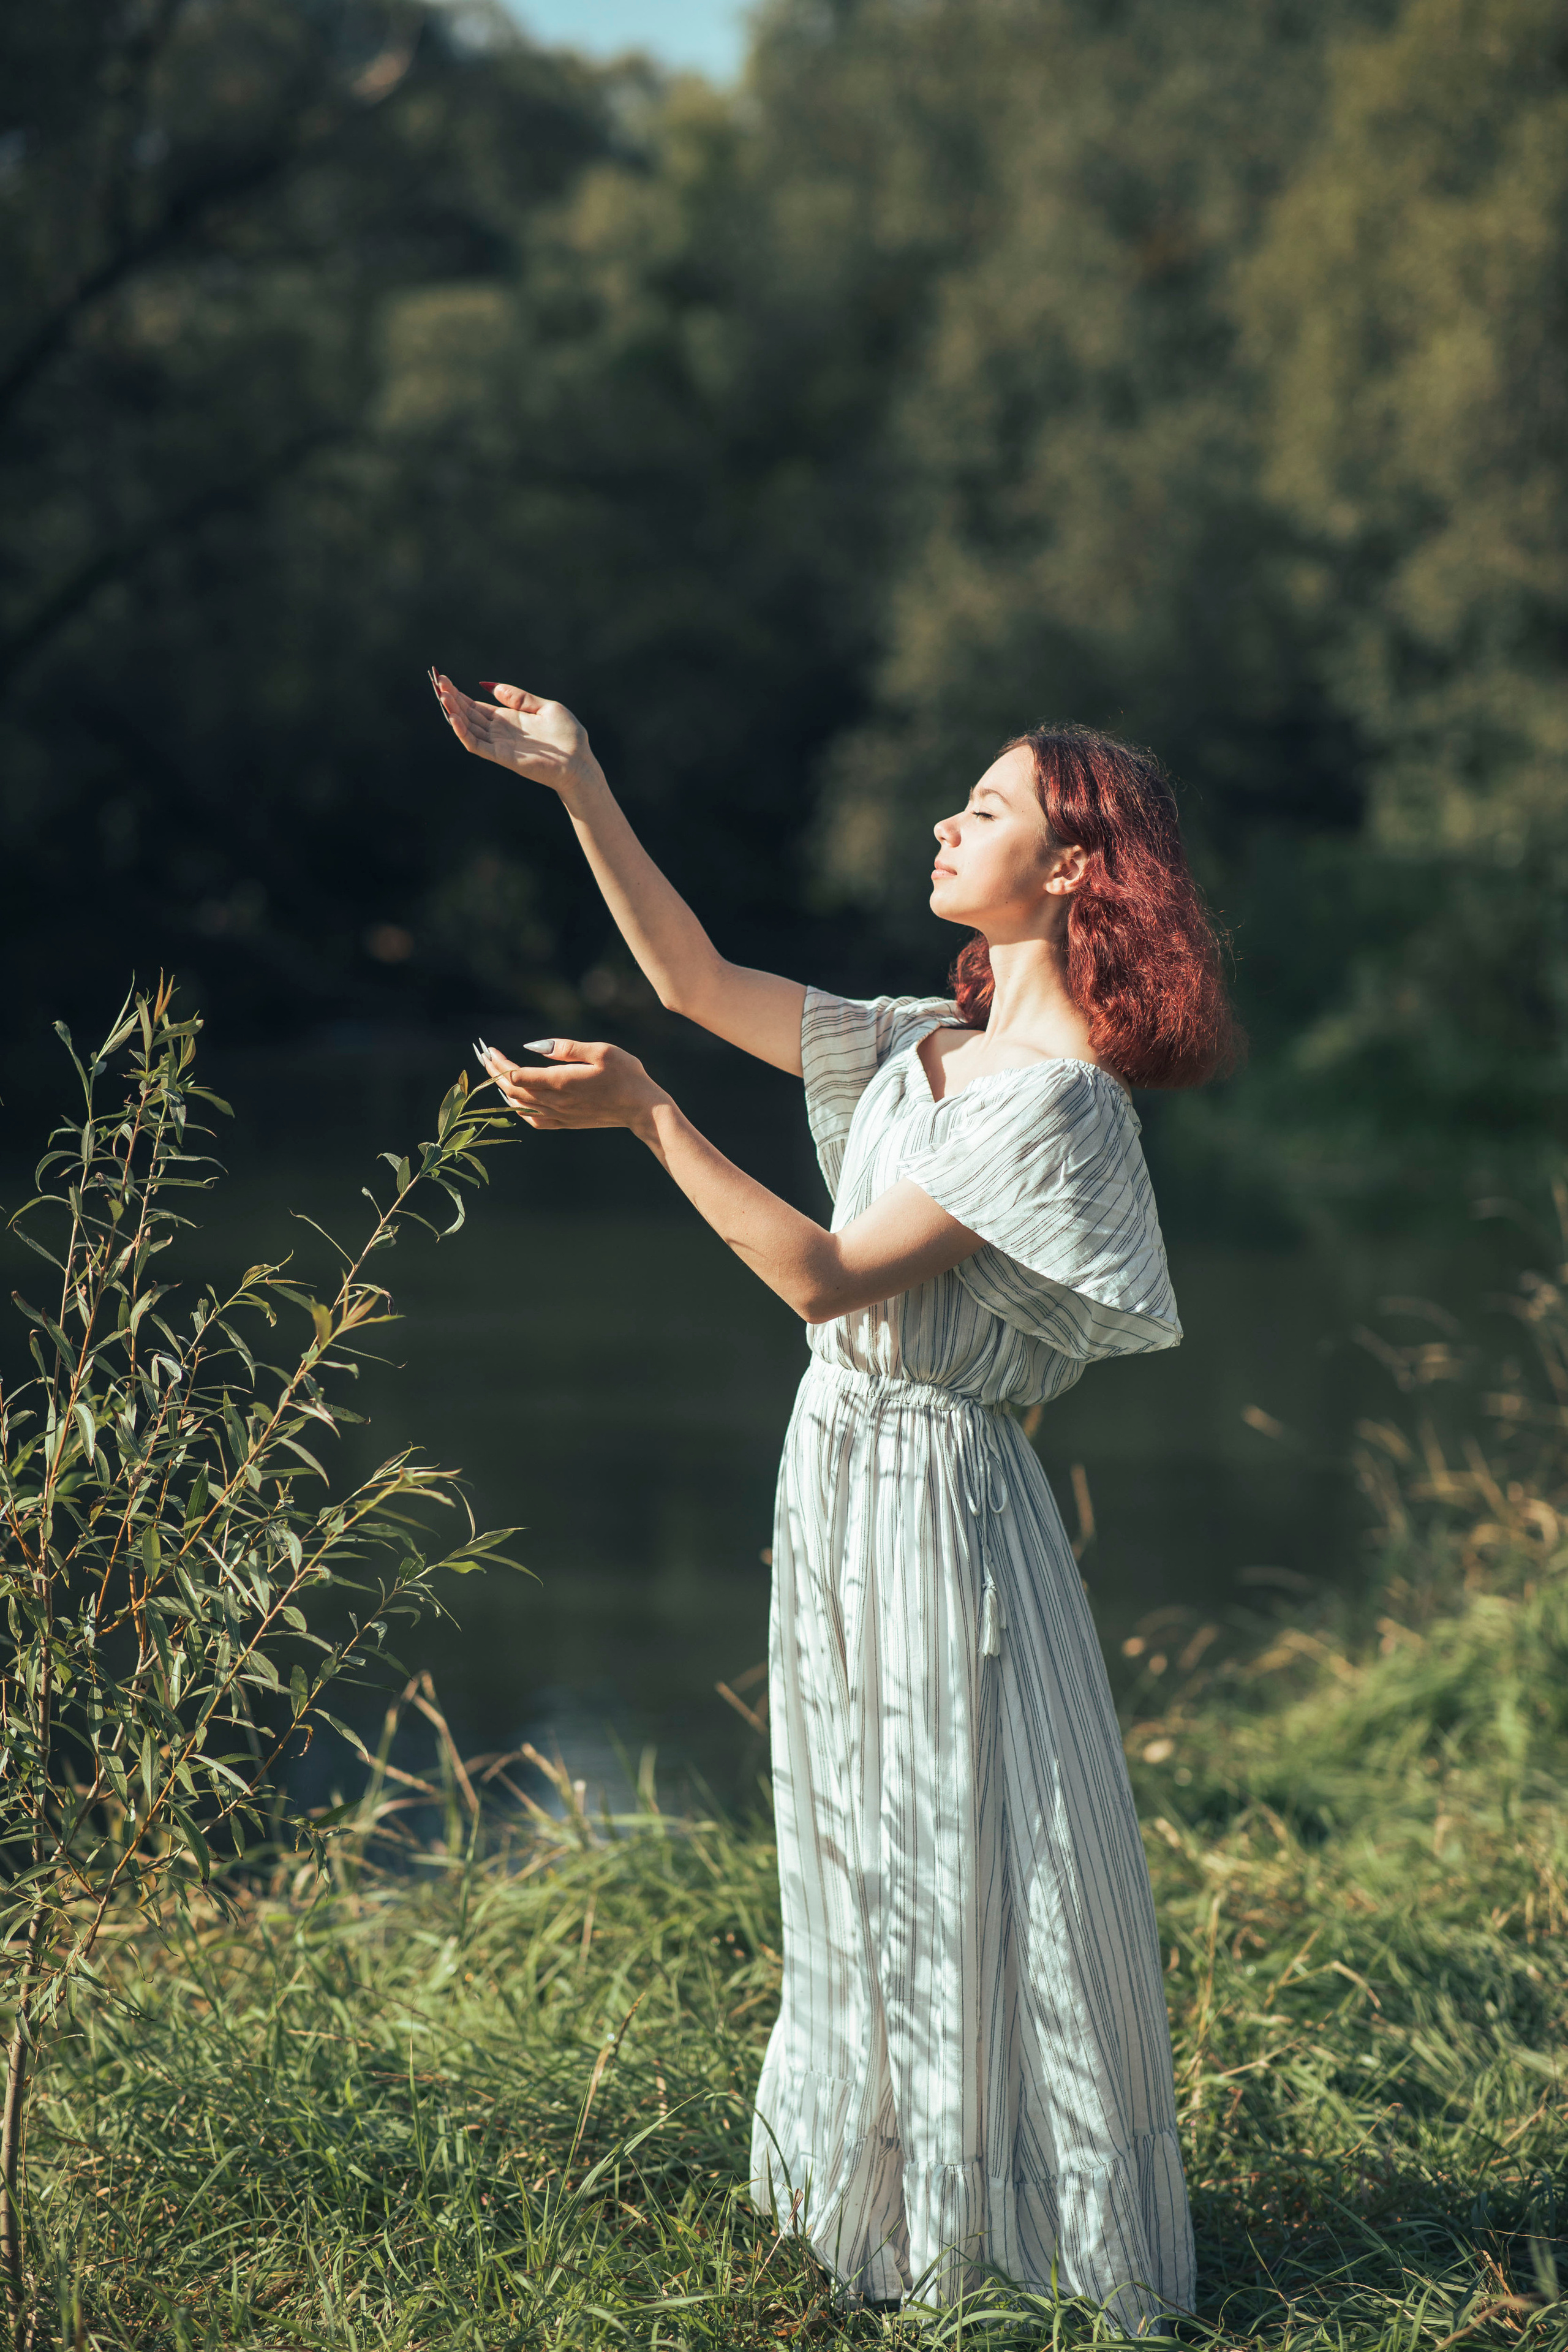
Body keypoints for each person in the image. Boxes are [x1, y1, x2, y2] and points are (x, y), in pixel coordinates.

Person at [430, 670, 1238, 2321]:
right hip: (844, 1474)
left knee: (965, 1838)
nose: (949, 823)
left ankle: (998, 2245)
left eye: (990, 808)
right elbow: (691, 975)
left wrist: (652, 1116)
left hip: (940, 1492)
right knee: (861, 1839)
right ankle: (875, 2209)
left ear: (1076, 868)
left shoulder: (1057, 1101)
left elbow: (821, 1278)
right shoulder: (918, 1043)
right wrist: (577, 776)